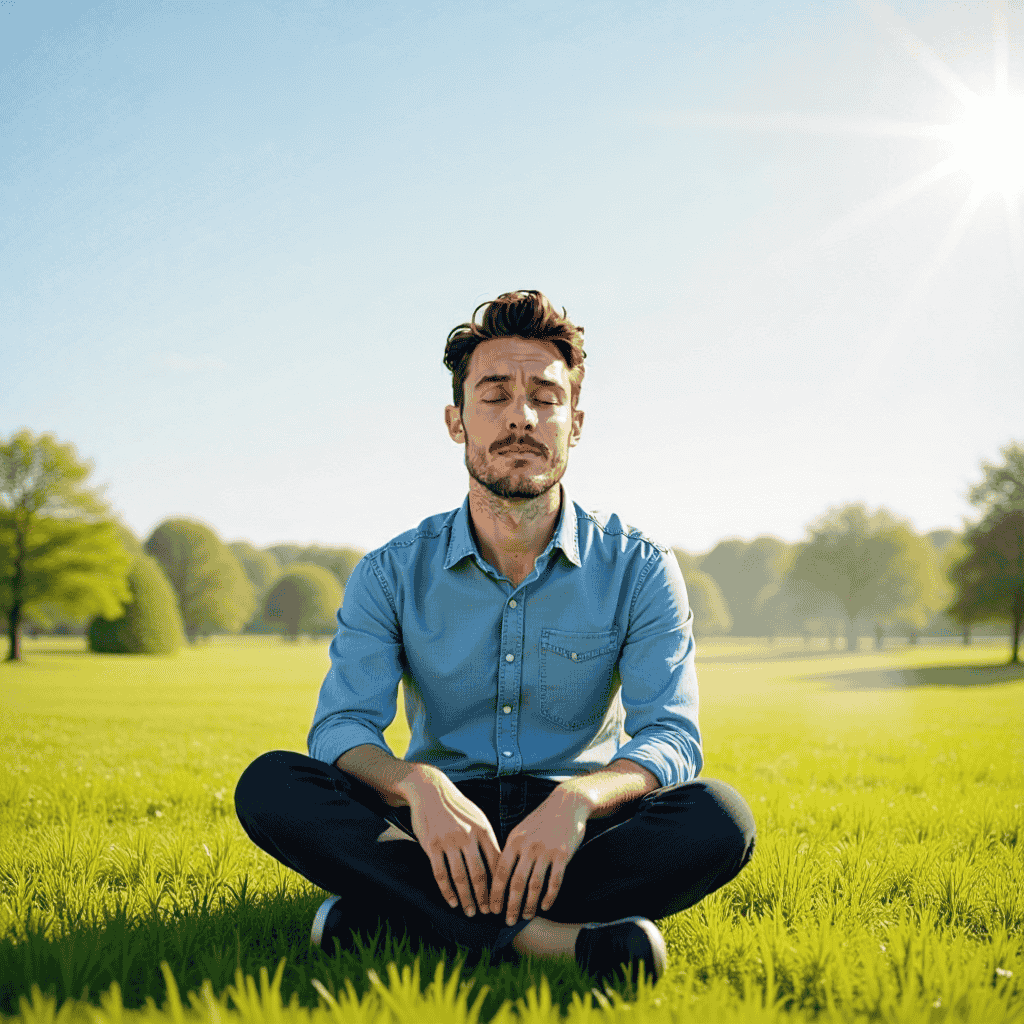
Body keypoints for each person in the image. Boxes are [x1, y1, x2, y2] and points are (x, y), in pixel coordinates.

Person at [235, 290, 756, 986]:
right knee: (273, 784)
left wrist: (578, 801)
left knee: (720, 817)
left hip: (578, 831)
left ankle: (396, 914)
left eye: (545, 396)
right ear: (456, 421)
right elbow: (342, 728)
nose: (521, 416)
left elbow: (671, 737)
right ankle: (557, 943)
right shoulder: (388, 572)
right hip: (436, 824)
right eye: (495, 395)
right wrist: (414, 785)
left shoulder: (640, 567)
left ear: (576, 421)